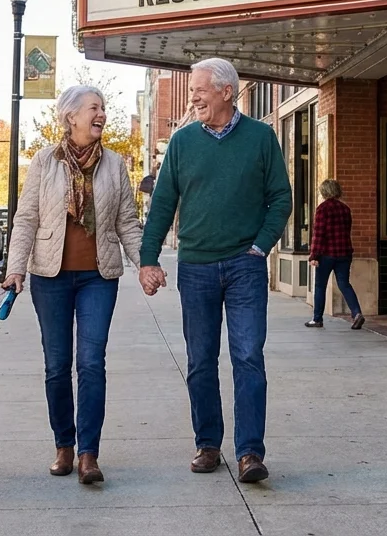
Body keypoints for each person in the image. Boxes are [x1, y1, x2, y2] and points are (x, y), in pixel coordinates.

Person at [138, 57, 292, 484]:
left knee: (248, 357)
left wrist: (261, 247)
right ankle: (207, 443)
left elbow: (281, 198)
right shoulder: (183, 143)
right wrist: (148, 259)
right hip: (197, 267)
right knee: (201, 360)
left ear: (227, 91)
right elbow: (163, 204)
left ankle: (249, 453)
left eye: (200, 90)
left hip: (246, 267)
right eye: (191, 91)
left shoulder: (261, 138)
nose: (193, 97)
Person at [2, 85, 144, 485]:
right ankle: (64, 444)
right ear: (71, 116)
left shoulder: (115, 165)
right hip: (51, 277)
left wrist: (143, 265)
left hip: (99, 276)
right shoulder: (44, 162)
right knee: (56, 366)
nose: (102, 114)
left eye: (104, 108)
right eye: (94, 108)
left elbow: (127, 223)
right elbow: (26, 218)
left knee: (91, 363)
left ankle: (88, 454)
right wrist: (16, 270)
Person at [306, 179, 365, 330]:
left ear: (324, 191)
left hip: (326, 254)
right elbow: (347, 231)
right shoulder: (345, 209)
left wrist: (314, 255)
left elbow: (318, 234)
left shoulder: (322, 209)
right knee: (344, 284)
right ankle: (357, 313)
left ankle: (317, 319)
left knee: (320, 286)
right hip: (344, 253)